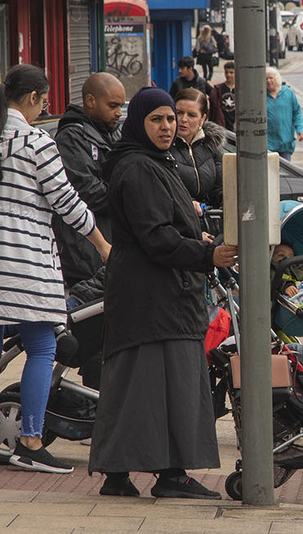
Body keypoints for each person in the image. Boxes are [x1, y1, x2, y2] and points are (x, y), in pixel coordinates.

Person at [0, 64, 111, 476]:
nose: (44, 110)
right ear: (34, 98)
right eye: (44, 102)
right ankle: (31, 442)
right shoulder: (36, 141)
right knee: (42, 347)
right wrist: (103, 245)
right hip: (25, 265)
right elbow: (66, 202)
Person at [89, 87, 239, 500]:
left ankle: (118, 475)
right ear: (139, 123)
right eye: (157, 119)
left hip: (152, 298)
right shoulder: (139, 168)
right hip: (156, 300)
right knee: (168, 387)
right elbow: (156, 238)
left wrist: (199, 238)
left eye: (171, 119)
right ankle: (171, 475)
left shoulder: (154, 162)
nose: (167, 126)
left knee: (138, 388)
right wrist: (209, 254)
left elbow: (161, 228)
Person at [53, 72, 126, 288]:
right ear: (91, 101)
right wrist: (128, 196)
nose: (119, 113)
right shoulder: (71, 138)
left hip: (111, 246)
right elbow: (88, 191)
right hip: (85, 254)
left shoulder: (113, 134)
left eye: (121, 106)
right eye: (113, 105)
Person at [170, 88, 225, 214]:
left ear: (202, 118)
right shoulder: (164, 147)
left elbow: (219, 188)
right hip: (180, 221)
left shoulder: (211, 146)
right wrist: (188, 203)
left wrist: (225, 202)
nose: (184, 119)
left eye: (191, 115)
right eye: (179, 112)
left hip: (210, 221)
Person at [265, 66, 303, 162]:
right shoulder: (262, 95)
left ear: (277, 79)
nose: (268, 81)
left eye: (271, 78)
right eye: (266, 79)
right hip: (268, 143)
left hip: (285, 142)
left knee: (286, 173)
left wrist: (300, 130)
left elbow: (297, 113)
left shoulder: (288, 93)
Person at [209, 60, 237, 131]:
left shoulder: (241, 90)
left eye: (231, 72)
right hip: (222, 125)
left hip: (235, 125)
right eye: (226, 72)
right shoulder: (218, 89)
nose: (228, 75)